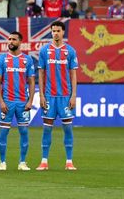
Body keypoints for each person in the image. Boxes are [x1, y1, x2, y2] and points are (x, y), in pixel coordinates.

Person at [37, 21, 78, 171]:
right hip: (49, 96)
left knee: (67, 129)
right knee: (47, 129)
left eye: (58, 31)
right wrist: (41, 95)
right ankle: (44, 161)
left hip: (65, 96)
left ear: (63, 32)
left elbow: (73, 75)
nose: (55, 33)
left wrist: (73, 96)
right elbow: (40, 74)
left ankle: (69, 161)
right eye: (53, 31)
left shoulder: (70, 51)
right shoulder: (44, 50)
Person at [0, 32, 36, 171]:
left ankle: (22, 162)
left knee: (24, 132)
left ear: (20, 41)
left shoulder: (27, 60)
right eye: (9, 39)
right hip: (8, 102)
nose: (10, 41)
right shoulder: (1, 59)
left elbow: (31, 82)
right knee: (3, 133)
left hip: (23, 103)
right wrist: (1, 101)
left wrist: (30, 101)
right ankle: (2, 162)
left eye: (14, 39)